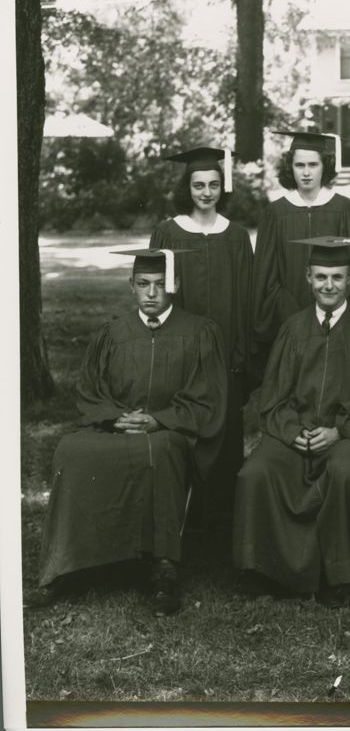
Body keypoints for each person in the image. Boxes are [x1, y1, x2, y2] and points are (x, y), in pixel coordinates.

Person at [34, 249, 227, 616]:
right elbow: (91, 391)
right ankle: (65, 566)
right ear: (131, 287)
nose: (151, 293)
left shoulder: (200, 332)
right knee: (71, 451)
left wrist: (160, 419)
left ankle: (163, 568)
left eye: (159, 285)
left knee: (164, 452)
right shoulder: (113, 332)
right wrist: (115, 417)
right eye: (143, 285)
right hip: (117, 427)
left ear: (175, 286)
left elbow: (207, 397)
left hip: (169, 430)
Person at [234, 237, 350, 606]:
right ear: (308, 277)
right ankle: (259, 568)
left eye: (337, 277)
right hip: (295, 433)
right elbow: (273, 397)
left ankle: (335, 575)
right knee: (255, 472)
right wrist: (293, 433)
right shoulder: (292, 328)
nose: (328, 286)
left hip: (346, 436)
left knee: (343, 472)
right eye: (321, 277)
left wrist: (339, 431)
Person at [150, 146, 253, 531]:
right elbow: (157, 291)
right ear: (187, 187)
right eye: (198, 185)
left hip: (225, 353)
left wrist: (240, 352)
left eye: (213, 184)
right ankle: (181, 521)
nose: (206, 192)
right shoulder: (168, 231)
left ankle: (221, 522)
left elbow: (246, 298)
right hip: (181, 351)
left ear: (222, 187)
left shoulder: (237, 236)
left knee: (225, 432)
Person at [252, 131, 350, 374]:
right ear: (290, 167)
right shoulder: (276, 213)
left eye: (313, 164)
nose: (306, 172)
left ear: (325, 166)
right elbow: (266, 275)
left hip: (336, 321)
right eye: (299, 164)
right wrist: (292, 315)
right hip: (289, 324)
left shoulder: (343, 209)